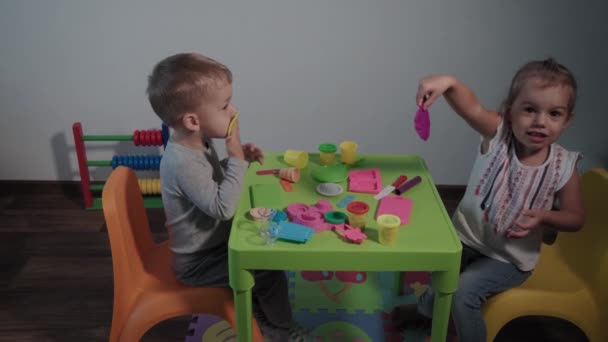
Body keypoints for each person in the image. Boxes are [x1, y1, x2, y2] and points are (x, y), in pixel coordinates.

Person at [393, 58, 585, 342]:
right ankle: (425, 311)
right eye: (530, 109)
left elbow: (575, 217)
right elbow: (471, 108)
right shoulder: (498, 135)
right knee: (440, 279)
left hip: (509, 258)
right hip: (466, 239)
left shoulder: (564, 166)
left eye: (554, 114)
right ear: (509, 112)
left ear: (566, 121)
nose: (540, 122)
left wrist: (545, 217)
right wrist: (450, 83)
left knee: (463, 292)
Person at [147, 52, 309, 341]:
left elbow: (208, 183)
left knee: (263, 257)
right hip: (198, 262)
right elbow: (222, 207)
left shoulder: (198, 144)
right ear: (193, 121)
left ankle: (264, 313)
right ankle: (281, 329)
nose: (233, 111)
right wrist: (235, 158)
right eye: (224, 106)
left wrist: (236, 161)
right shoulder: (182, 161)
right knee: (269, 273)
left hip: (213, 247)